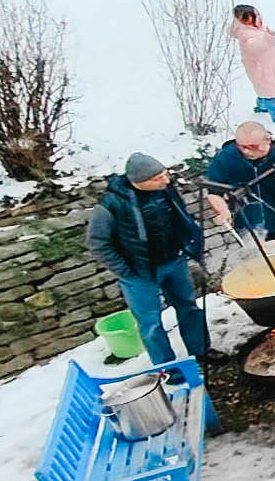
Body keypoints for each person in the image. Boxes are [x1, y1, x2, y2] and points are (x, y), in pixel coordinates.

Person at [85, 153, 210, 367]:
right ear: (138, 182)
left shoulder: (165, 190)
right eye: (158, 178)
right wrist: (125, 270)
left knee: (189, 307)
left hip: (174, 261)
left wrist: (188, 241)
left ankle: (201, 351)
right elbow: (98, 243)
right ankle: (167, 367)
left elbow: (181, 217)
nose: (166, 180)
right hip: (138, 273)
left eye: (165, 174)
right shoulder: (111, 205)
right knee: (151, 323)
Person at [203, 122, 275, 245]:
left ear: (267, 140)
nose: (247, 151)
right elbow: (213, 192)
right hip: (247, 229)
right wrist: (223, 210)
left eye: (253, 146)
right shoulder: (225, 158)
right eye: (242, 146)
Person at [229, 3, 275, 122]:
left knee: (266, 89)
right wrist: (269, 38)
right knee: (273, 92)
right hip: (263, 69)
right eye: (255, 15)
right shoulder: (248, 36)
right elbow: (258, 47)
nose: (259, 17)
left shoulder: (253, 29)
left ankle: (262, 106)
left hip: (268, 66)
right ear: (244, 19)